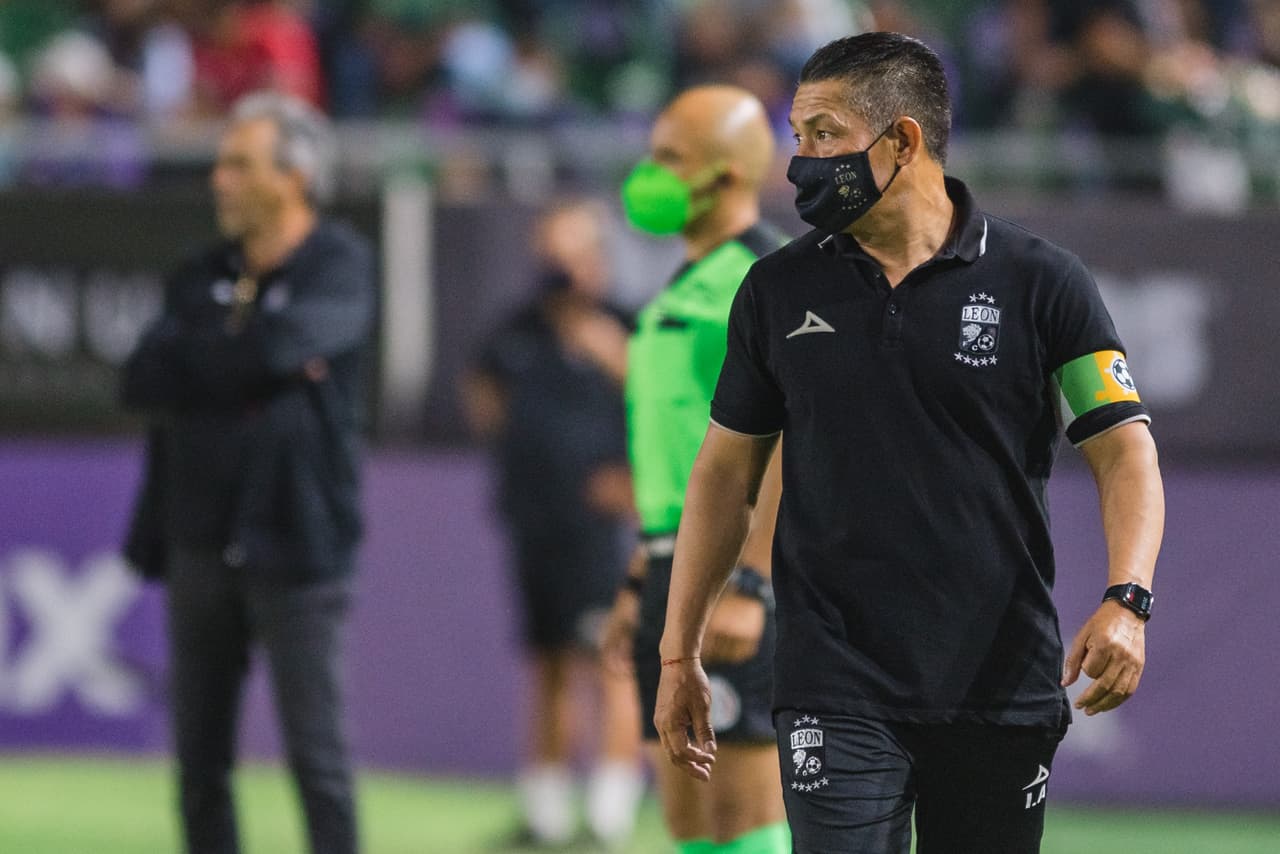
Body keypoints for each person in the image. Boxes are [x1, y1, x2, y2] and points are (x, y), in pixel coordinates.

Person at [653, 32, 1165, 854]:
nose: (801, 161)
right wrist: (679, 653)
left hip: (999, 679)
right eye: (797, 136)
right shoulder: (776, 289)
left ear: (902, 140)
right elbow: (723, 474)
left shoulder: (1043, 281)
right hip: (832, 681)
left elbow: (1124, 449)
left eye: (825, 134)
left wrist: (1128, 598)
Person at [120, 91, 375, 854]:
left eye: (239, 164)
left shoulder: (339, 264)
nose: (219, 180)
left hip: (299, 541)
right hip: (198, 539)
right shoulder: (200, 271)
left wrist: (216, 357)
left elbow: (266, 349)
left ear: (294, 177)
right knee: (199, 766)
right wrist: (257, 360)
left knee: (317, 762)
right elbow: (141, 378)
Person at [602, 85, 791, 854]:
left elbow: (789, 440)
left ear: (728, 174)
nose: (649, 174)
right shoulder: (685, 283)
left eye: (670, 158)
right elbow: (679, 453)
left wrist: (751, 583)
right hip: (670, 568)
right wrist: (641, 578)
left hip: (730, 577)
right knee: (689, 818)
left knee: (742, 811)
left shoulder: (763, 280)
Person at [460, 199, 645, 849]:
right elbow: (482, 392)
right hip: (535, 518)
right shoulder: (517, 330)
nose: (556, 266)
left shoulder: (627, 326)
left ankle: (610, 810)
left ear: (597, 257)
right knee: (547, 660)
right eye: (547, 252)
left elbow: (667, 405)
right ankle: (545, 810)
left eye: (568, 252)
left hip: (602, 526)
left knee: (610, 658)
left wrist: (617, 363)